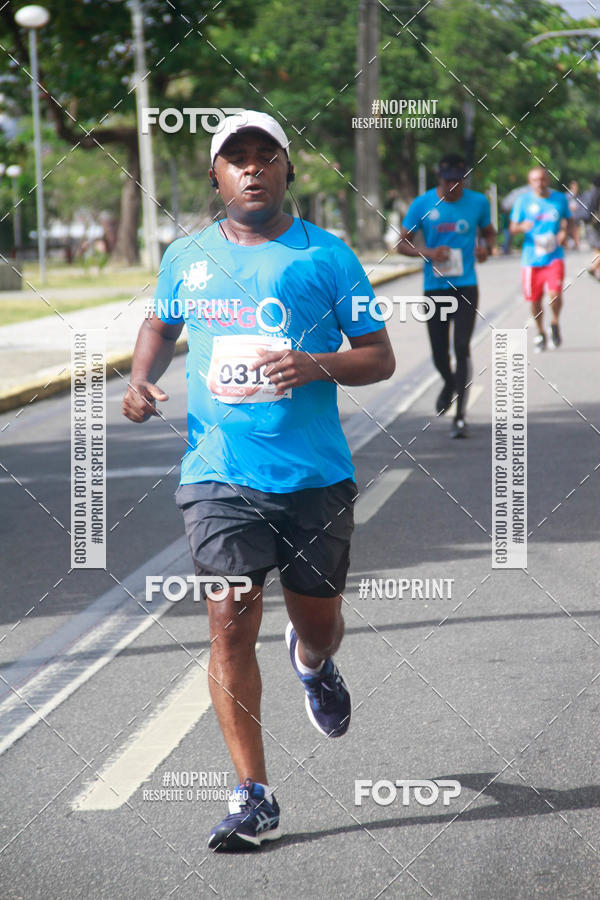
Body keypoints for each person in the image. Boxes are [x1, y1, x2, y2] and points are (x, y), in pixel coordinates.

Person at [122, 110, 395, 851]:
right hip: (218, 476)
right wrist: (142, 379)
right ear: (215, 176)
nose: (251, 168)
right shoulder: (187, 256)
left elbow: (379, 356)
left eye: (264, 156)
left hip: (313, 477)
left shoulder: (326, 257)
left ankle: (313, 665)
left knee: (318, 624)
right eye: (234, 158)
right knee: (228, 621)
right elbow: (160, 323)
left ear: (286, 169)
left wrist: (319, 364)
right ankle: (254, 795)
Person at [396, 153, 496, 439]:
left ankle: (460, 416)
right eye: (448, 181)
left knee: (461, 347)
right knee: (440, 355)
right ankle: (449, 382)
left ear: (464, 179)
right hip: (435, 288)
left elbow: (489, 234)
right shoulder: (423, 204)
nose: (453, 186)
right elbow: (401, 244)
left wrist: (485, 250)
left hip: (466, 285)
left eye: (458, 181)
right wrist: (427, 252)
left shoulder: (478, 202)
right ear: (440, 178)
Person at [509, 167, 572, 351]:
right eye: (535, 180)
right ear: (530, 183)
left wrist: (564, 232)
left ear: (548, 180)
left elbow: (568, 220)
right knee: (535, 300)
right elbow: (513, 227)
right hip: (531, 259)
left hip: (554, 255)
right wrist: (522, 227)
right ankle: (540, 331)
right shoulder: (523, 201)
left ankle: (554, 322)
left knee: (555, 293)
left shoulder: (559, 199)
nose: (540, 183)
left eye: (543, 179)